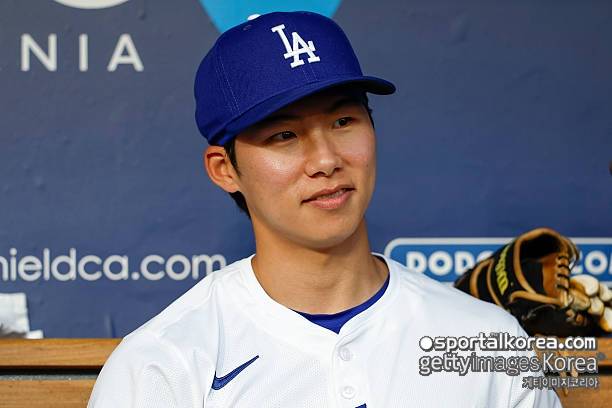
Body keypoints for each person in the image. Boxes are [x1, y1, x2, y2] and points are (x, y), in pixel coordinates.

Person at [89, 11, 561, 407]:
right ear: (224, 169)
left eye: (342, 121)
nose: (326, 160)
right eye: (284, 135)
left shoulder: (487, 342)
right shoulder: (162, 365)